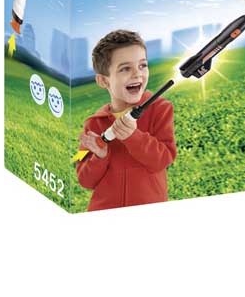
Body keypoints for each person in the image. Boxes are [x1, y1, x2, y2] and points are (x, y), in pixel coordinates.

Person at [76, 30, 177, 211]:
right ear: (103, 81)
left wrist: (133, 137)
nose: (137, 74)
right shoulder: (92, 125)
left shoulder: (160, 109)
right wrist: (99, 157)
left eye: (142, 65)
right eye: (125, 68)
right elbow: (84, 180)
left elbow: (163, 159)